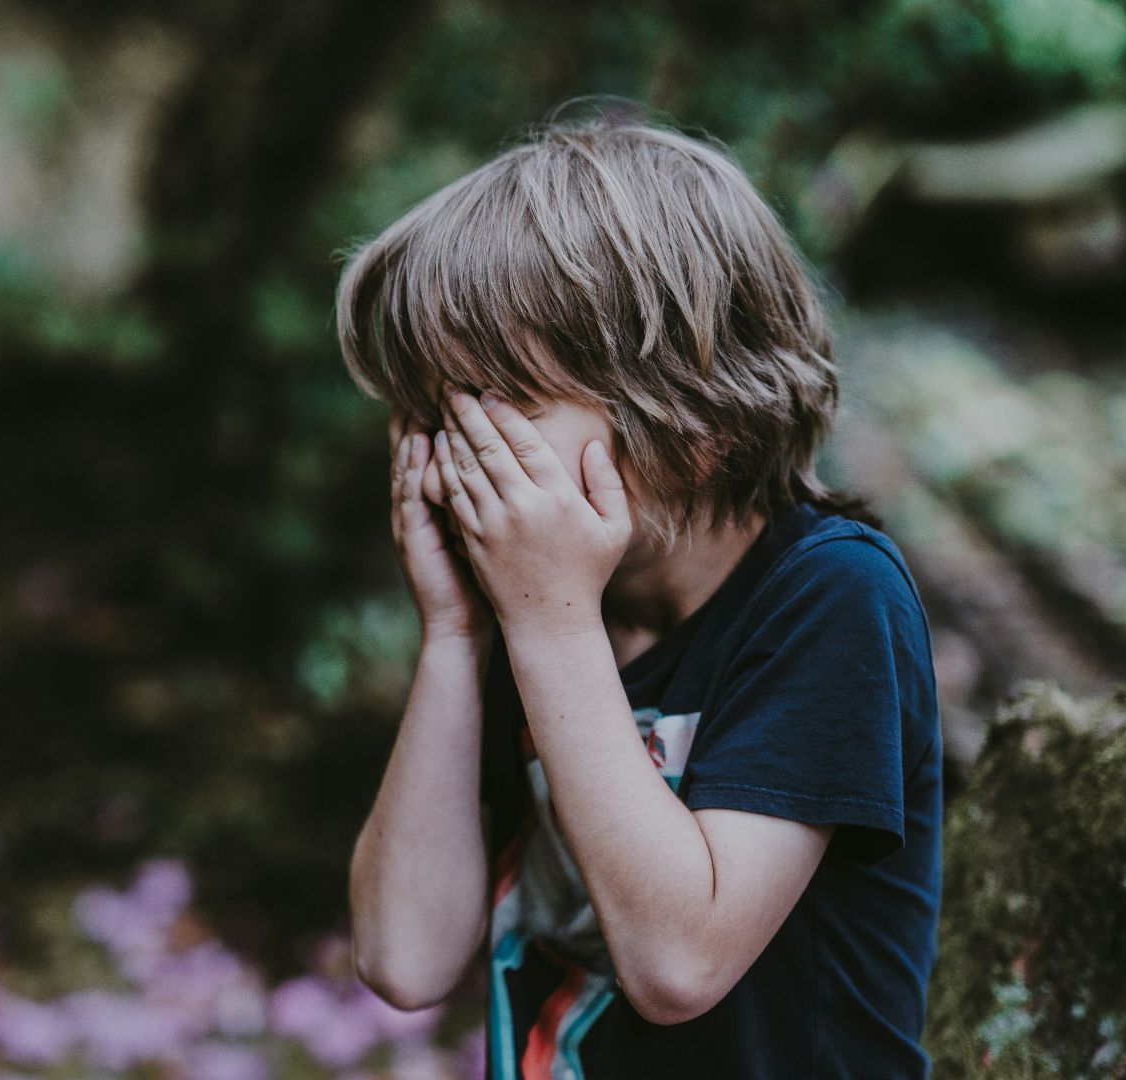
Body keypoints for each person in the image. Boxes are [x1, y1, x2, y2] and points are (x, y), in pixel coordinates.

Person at [336, 102, 944, 1079]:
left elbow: (678, 963)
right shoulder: (529, 609)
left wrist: (546, 618)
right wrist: (455, 634)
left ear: (698, 421)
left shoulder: (829, 596)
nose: (461, 453)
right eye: (435, 410)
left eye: (506, 404)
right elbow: (404, 958)